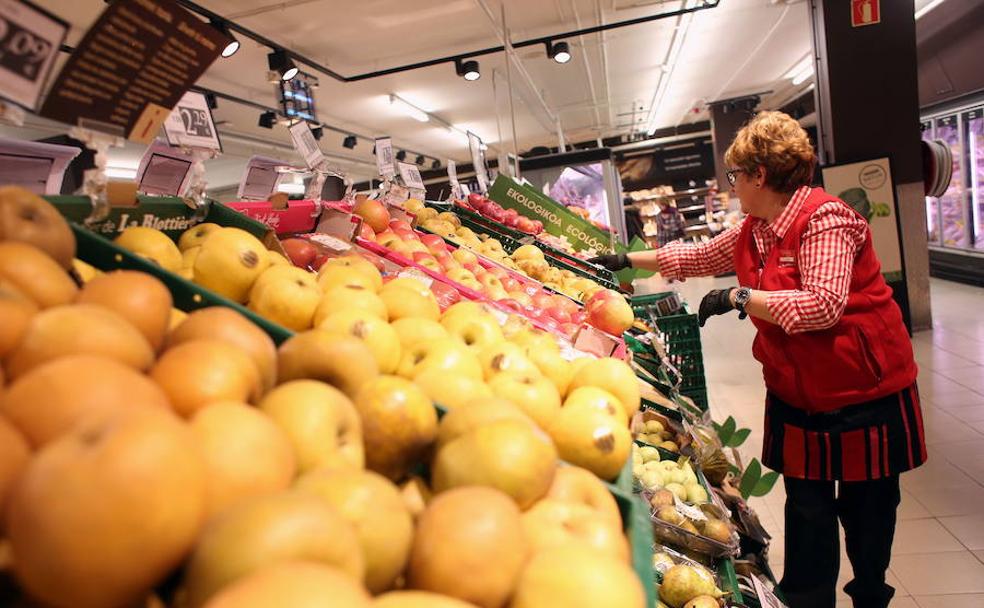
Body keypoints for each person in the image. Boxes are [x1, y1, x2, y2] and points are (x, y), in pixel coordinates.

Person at [590, 111, 924, 608]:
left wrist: (739, 296)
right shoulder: (756, 226)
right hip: (797, 390)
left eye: (735, 176)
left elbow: (822, 306)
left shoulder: (826, 220)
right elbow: (700, 256)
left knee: (868, 512)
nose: (733, 186)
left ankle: (870, 595)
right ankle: (808, 600)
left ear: (759, 176)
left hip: (862, 391)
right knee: (807, 511)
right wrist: (623, 260)